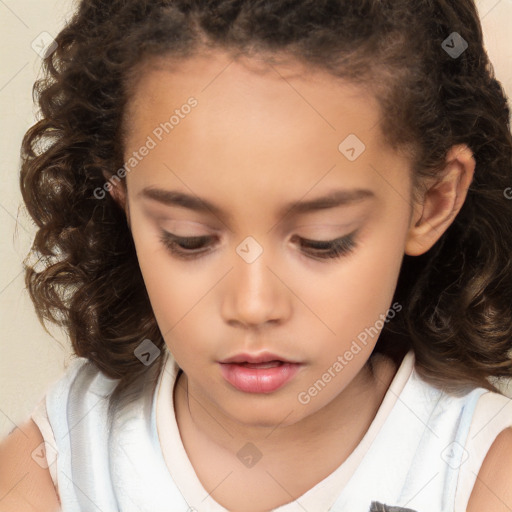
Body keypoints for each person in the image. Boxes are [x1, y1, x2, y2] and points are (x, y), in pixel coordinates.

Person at [1, 0, 512, 511]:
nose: (252, 304)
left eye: (322, 240)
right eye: (188, 238)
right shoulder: (61, 463)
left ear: (431, 202)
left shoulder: (481, 473)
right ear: (123, 198)